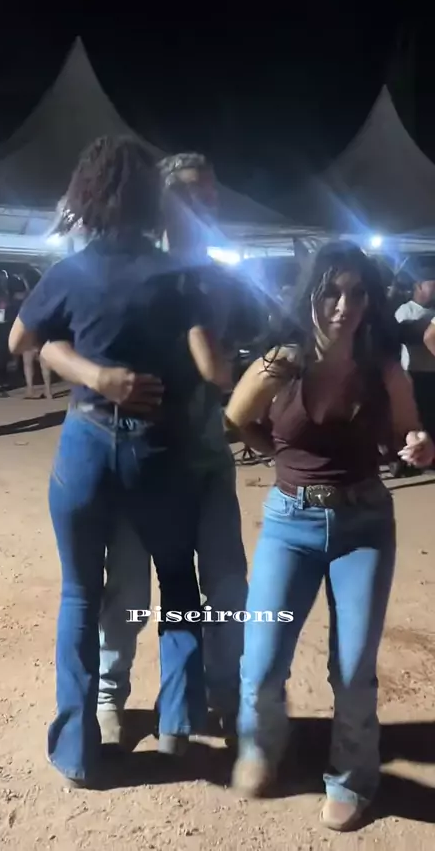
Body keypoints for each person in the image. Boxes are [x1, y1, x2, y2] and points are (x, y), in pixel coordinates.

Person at [9, 136, 226, 786]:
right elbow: (213, 368)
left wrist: (96, 375)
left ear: (88, 194)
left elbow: (23, 339)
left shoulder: (71, 272)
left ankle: (77, 750)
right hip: (158, 451)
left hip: (86, 442)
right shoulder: (176, 275)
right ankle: (177, 723)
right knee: (178, 582)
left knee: (80, 593)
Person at [224, 242, 434, 832]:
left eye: (357, 293)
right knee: (261, 659)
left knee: (353, 668)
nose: (344, 306)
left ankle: (351, 777)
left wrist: (419, 445)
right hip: (289, 524)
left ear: (371, 300)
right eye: (332, 292)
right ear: (311, 295)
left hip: (363, 524)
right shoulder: (281, 362)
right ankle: (263, 744)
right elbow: (236, 418)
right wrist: (281, 460)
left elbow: (409, 432)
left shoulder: (382, 367)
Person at [395, 261, 435, 442]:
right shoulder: (405, 312)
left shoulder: (433, 313)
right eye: (433, 285)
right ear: (419, 285)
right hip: (413, 374)